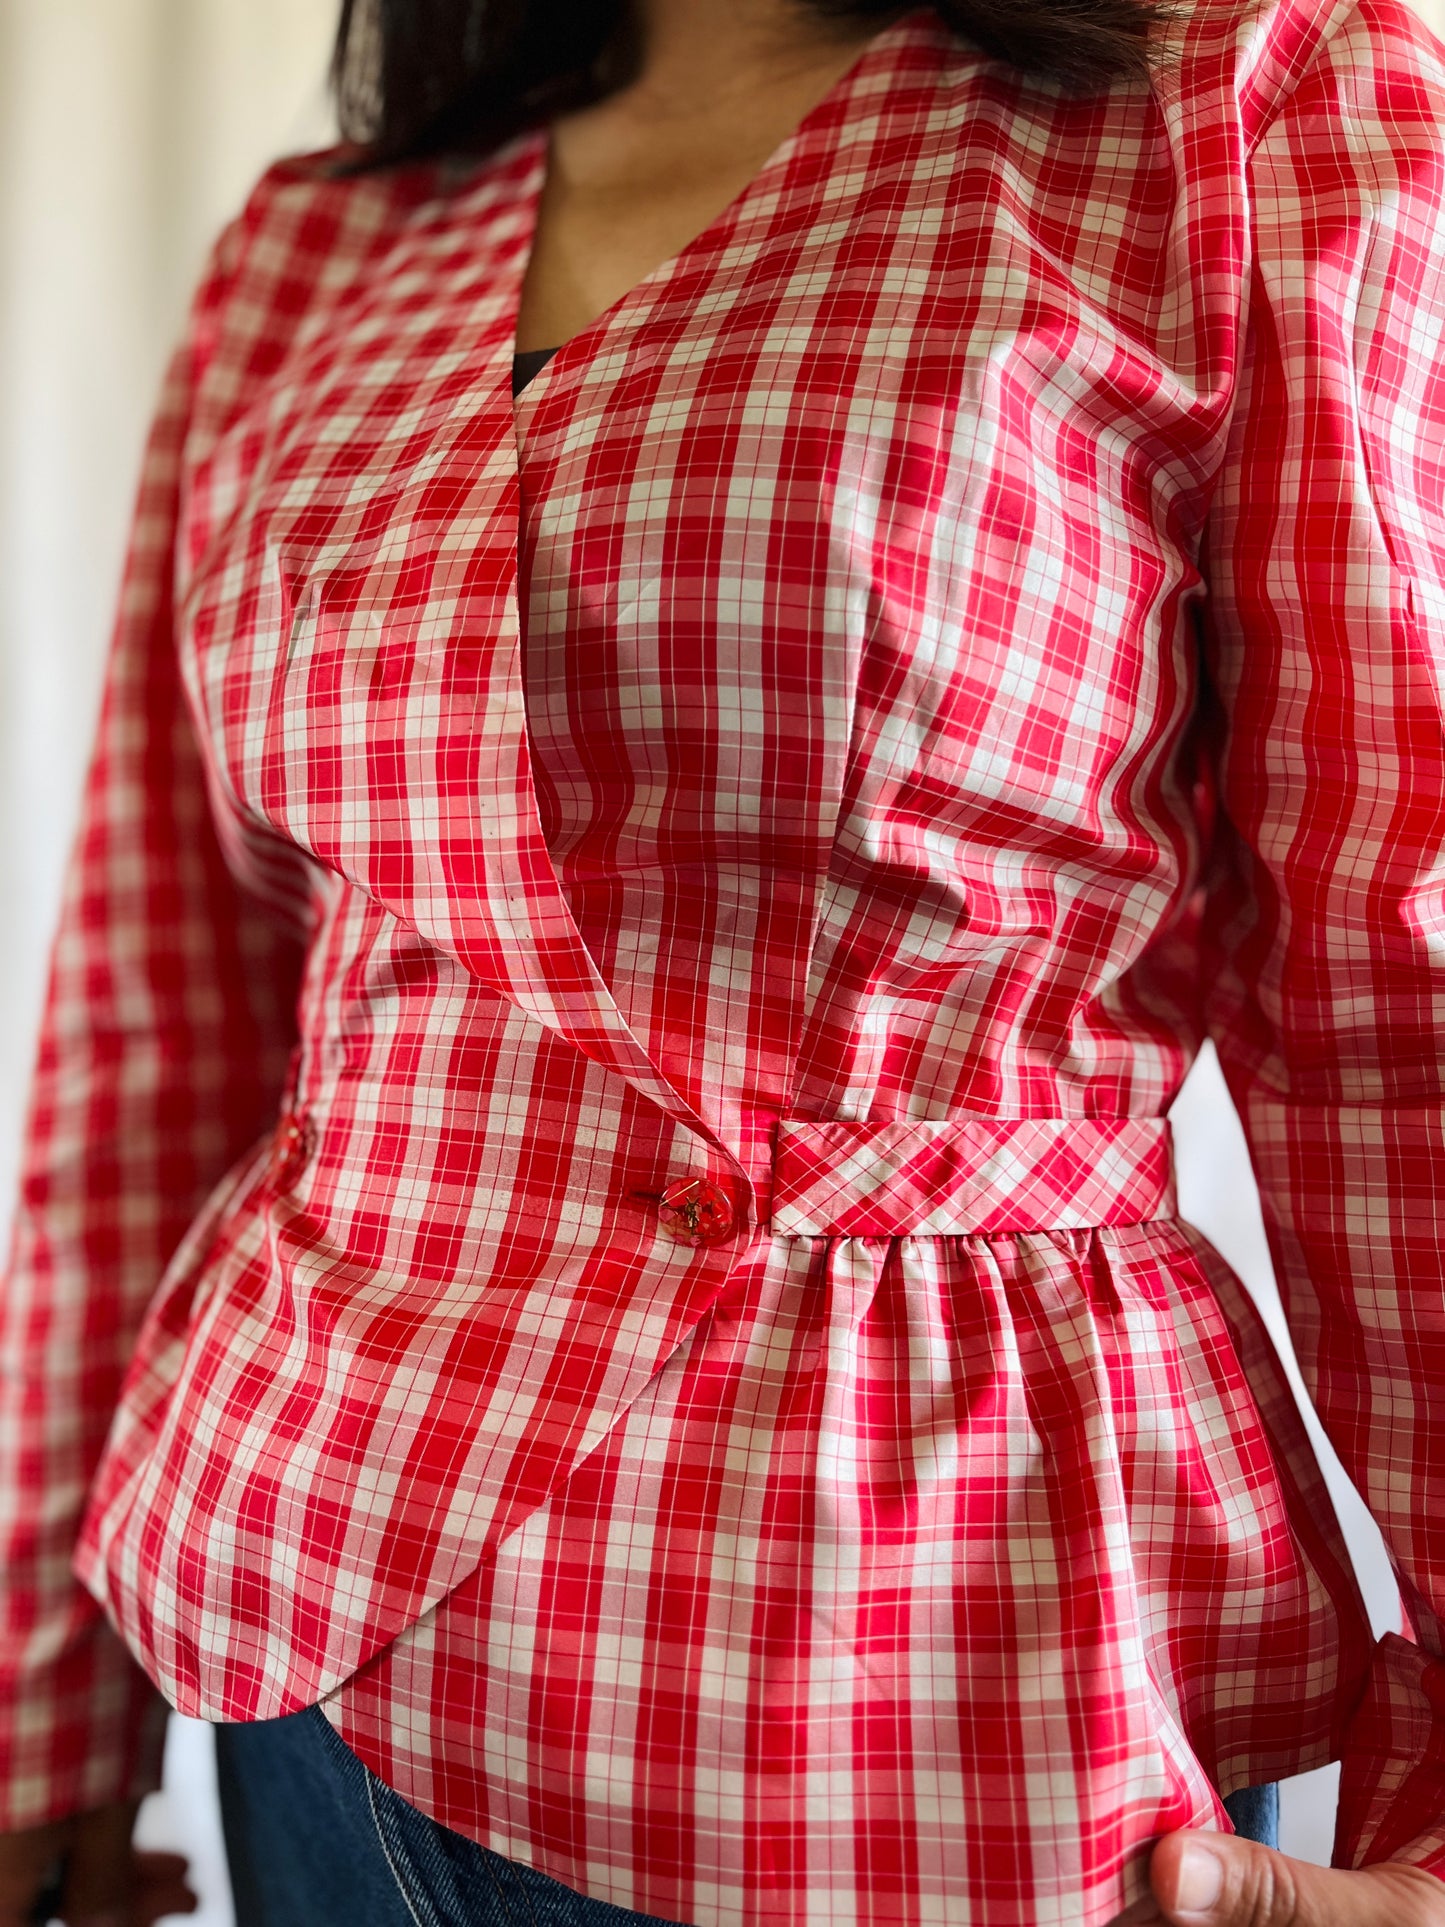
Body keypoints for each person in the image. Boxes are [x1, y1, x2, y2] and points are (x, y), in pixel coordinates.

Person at [2, 0, 1445, 1919]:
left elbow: (1397, 1025)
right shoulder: (330, 235)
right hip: (304, 1619)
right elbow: (160, 997)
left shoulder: (1240, 114)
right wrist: (39, 1688)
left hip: (944, 1680)